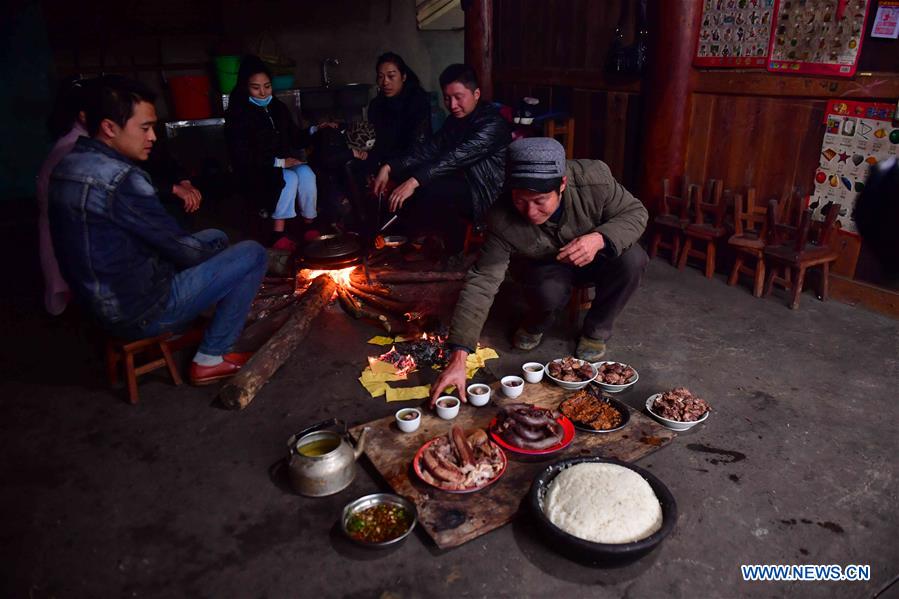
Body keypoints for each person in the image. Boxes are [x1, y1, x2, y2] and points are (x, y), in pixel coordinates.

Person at [49, 76, 267, 385]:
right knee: (252, 254)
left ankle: (207, 307)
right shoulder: (121, 179)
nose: (152, 136)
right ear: (110, 127)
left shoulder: (67, 166)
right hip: (139, 311)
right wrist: (219, 266)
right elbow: (182, 249)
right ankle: (211, 356)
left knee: (215, 237)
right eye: (144, 128)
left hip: (95, 305)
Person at [430, 138, 649, 406]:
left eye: (541, 200)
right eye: (521, 201)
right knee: (548, 293)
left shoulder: (595, 179)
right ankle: (536, 322)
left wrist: (599, 238)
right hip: (544, 268)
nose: (531, 212)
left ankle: (596, 330)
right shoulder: (500, 218)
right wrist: (458, 357)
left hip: (596, 256)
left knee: (633, 259)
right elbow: (482, 282)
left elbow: (635, 212)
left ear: (563, 185)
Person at [372, 63, 512, 264]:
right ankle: (404, 239)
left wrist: (414, 182)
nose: (452, 105)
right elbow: (429, 149)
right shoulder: (455, 120)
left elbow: (455, 157)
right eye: (447, 98)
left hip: (486, 195)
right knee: (407, 177)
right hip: (463, 184)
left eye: (458, 97)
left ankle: (449, 251)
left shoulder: (492, 125)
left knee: (430, 187)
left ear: (477, 93)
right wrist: (389, 166)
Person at [225, 55, 318, 250]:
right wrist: (279, 163)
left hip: (285, 164)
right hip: (256, 170)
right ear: (245, 87)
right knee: (289, 179)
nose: (262, 92)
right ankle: (278, 233)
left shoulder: (278, 108)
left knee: (306, 173)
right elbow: (242, 155)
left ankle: (310, 225)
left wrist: (314, 130)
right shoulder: (239, 114)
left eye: (267, 86)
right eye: (255, 87)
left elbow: (295, 137)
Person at [366, 52, 431, 165]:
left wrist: (390, 166)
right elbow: (376, 140)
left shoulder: (417, 101)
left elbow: (418, 146)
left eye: (391, 76)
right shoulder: (376, 105)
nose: (385, 82)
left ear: (403, 77)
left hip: (412, 163)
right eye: (380, 77)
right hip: (383, 163)